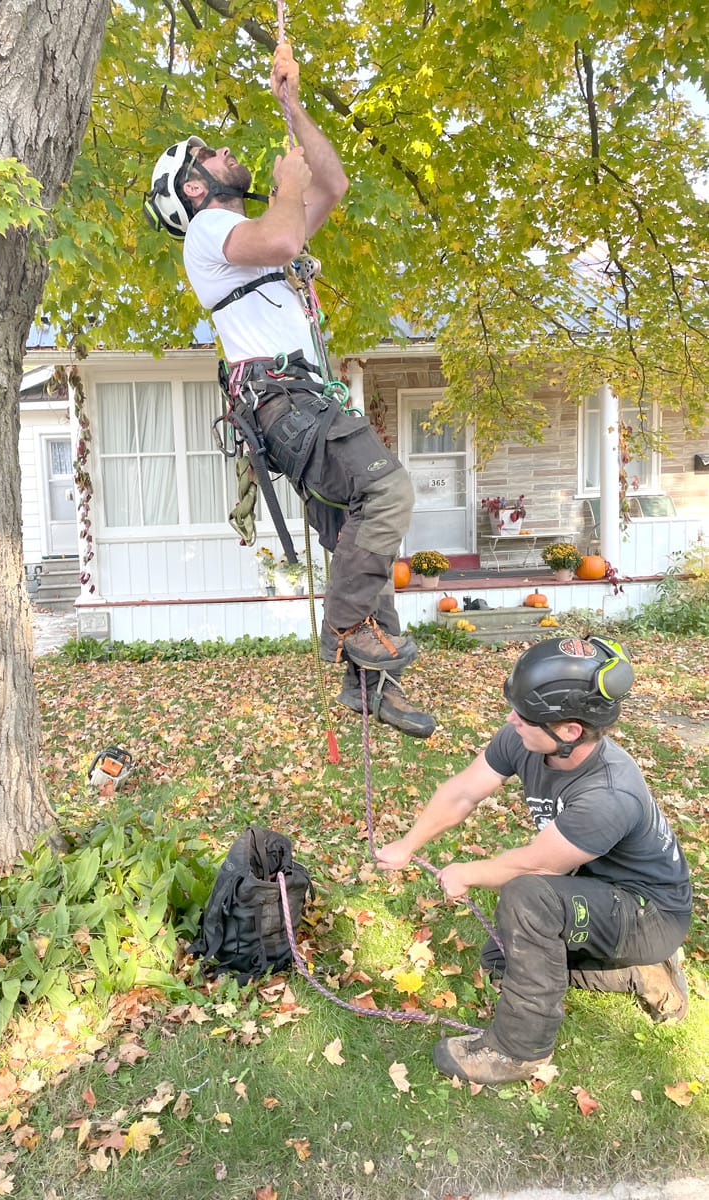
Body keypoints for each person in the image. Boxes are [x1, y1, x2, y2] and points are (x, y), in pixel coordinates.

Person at [144, 43, 434, 740]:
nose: (222, 154)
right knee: (388, 495)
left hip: (302, 403)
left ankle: (371, 687)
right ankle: (345, 630)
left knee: (358, 539)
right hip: (286, 400)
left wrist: (293, 109)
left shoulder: (246, 229)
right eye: (208, 154)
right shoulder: (211, 231)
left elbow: (330, 185)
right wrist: (282, 185)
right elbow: (279, 240)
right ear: (192, 188)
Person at [376, 635, 692, 1085]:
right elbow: (463, 791)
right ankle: (638, 973)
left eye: (525, 716)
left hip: (650, 913)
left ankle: (517, 1051)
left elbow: (535, 867)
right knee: (501, 961)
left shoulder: (608, 794)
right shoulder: (525, 739)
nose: (511, 720)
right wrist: (408, 844)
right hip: (601, 893)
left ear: (569, 731)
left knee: (528, 898)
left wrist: (466, 873)